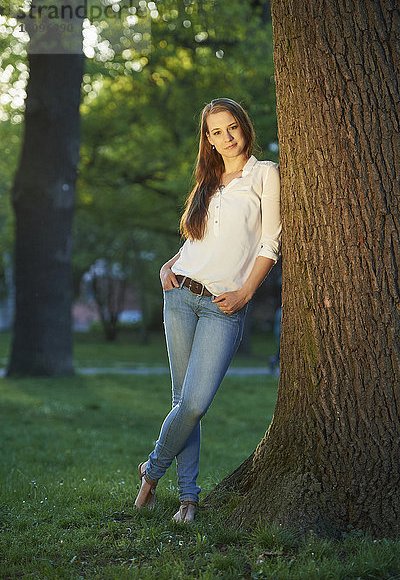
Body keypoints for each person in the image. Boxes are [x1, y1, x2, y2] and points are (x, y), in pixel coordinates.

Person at [134, 97, 282, 523]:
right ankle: (188, 499)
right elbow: (201, 238)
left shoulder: (264, 174)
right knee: (183, 402)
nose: (226, 137)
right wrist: (170, 263)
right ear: (208, 140)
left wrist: (246, 293)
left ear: (245, 127)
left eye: (232, 127)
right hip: (180, 293)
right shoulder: (208, 178)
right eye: (216, 132)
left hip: (224, 304)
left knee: (195, 404)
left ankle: (151, 471)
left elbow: (270, 242)